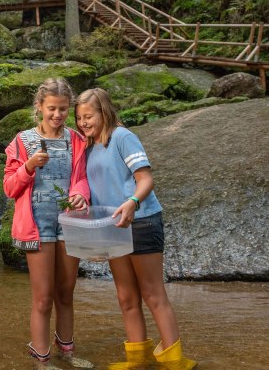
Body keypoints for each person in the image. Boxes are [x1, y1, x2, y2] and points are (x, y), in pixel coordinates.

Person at [75, 88, 196, 370]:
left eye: (88, 116)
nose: (83, 123)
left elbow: (146, 180)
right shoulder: (89, 146)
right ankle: (138, 360)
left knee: (153, 294)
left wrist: (131, 202)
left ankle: (174, 360)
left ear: (104, 112)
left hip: (141, 221)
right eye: (79, 118)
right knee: (126, 296)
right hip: (114, 227)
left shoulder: (123, 137)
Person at [3, 78, 92, 369]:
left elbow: (81, 179)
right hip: (37, 227)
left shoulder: (76, 139)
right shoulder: (22, 141)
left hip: (69, 224)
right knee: (43, 299)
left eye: (63, 109)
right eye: (52, 108)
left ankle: (66, 353)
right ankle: (41, 358)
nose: (57, 115)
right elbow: (9, 188)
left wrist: (80, 196)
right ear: (39, 106)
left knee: (66, 293)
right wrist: (28, 167)